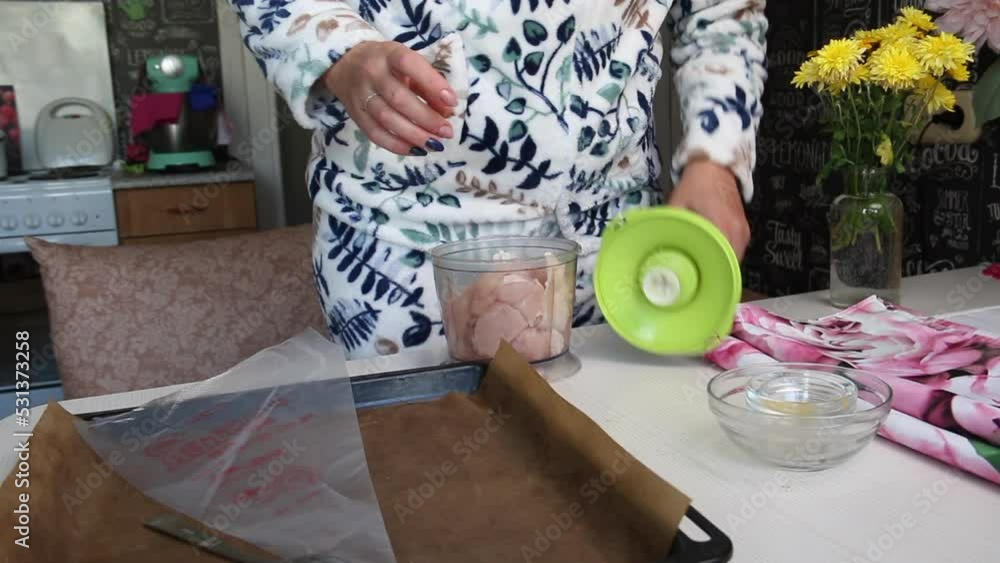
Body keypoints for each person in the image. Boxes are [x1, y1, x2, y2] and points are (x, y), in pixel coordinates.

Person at [229, 0, 767, 359]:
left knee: (621, 476)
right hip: (408, 242)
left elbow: (721, 14)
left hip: (622, 240)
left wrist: (717, 155)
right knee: (438, 488)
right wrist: (337, 49)